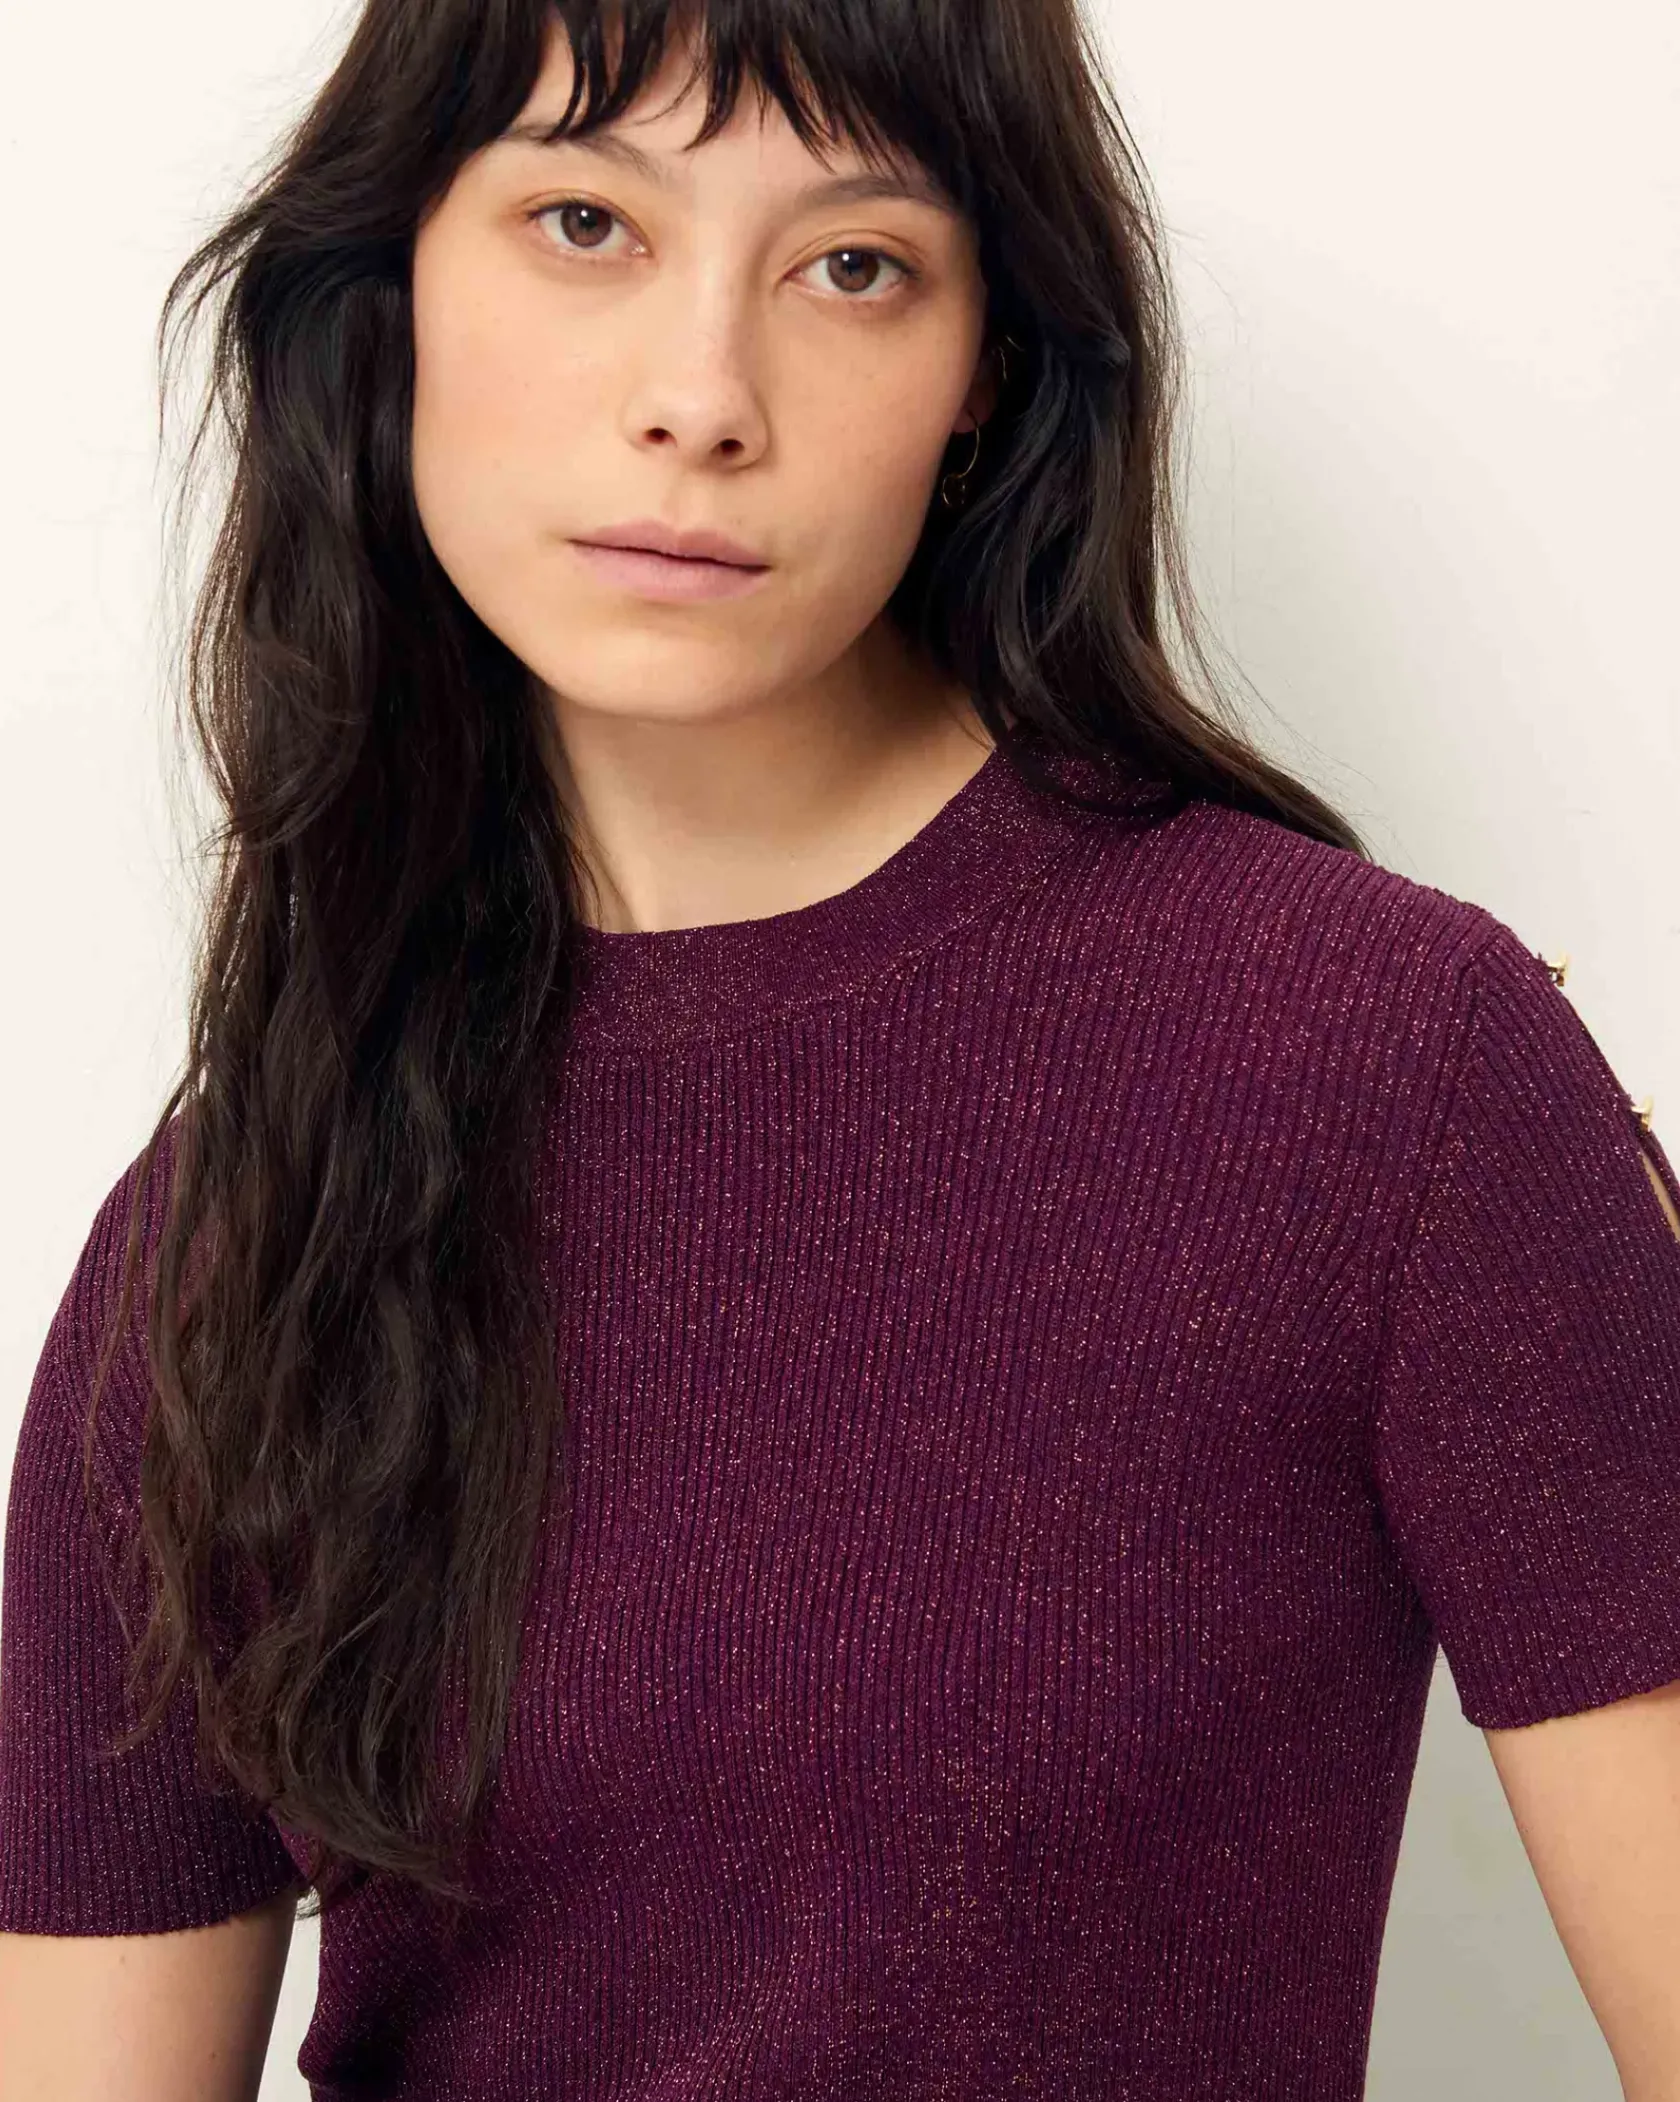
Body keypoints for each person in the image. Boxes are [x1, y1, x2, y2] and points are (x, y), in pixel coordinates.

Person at [3, 0, 1679, 2096]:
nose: (703, 397)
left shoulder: (1386, 1064)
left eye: (855, 265)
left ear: (984, 379)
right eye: (587, 222)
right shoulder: (231, 1225)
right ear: (389, 288)